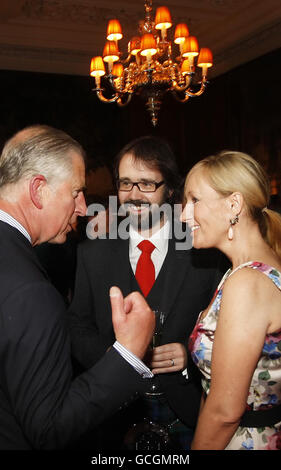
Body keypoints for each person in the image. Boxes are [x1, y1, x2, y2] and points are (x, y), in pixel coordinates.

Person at [0, 125, 155, 450]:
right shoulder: (32, 292)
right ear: (38, 189)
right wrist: (127, 354)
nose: (84, 208)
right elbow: (49, 429)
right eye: (75, 193)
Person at [68, 136, 227, 449]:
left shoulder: (205, 252)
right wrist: (118, 360)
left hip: (188, 410)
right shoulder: (92, 252)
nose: (133, 195)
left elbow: (230, 329)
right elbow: (76, 326)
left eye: (146, 184)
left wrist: (191, 355)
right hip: (113, 412)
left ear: (169, 188)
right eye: (126, 183)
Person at [180, 150, 281, 450]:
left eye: (194, 200)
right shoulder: (247, 270)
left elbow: (225, 412)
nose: (184, 214)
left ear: (233, 204)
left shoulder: (247, 283)